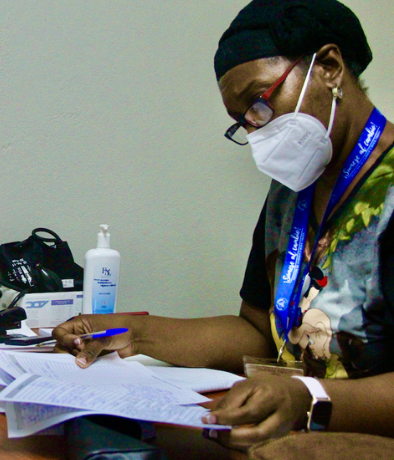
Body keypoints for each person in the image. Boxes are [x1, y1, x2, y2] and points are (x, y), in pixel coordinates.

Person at [53, 0, 394, 450]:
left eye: (259, 104)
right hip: (295, 428)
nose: (256, 133)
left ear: (329, 67)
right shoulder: (291, 193)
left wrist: (304, 397)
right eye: (242, 123)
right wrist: (130, 332)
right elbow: (256, 330)